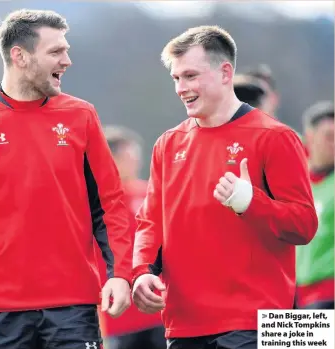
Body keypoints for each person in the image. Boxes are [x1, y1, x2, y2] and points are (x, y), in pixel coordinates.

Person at [0, 9, 133, 349]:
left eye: (66, 50)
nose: (67, 60)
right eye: (55, 52)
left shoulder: (81, 116)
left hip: (73, 309)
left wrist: (121, 273)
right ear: (19, 56)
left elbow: (110, 205)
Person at [131, 25, 318, 349]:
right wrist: (143, 271)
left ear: (225, 72)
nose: (181, 87)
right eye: (176, 78)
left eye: (190, 76)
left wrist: (251, 203)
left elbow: (304, 225)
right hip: (183, 324)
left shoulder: (275, 137)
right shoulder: (168, 143)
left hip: (258, 322)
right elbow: (150, 223)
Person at [96, 126, 165, 349]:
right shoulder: (94, 203)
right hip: (118, 318)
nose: (135, 162)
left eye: (135, 155)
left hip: (157, 312)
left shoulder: (149, 194)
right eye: (128, 156)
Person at [296, 101, 334, 310]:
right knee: (269, 339)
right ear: (309, 137)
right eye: (329, 137)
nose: (334, 144)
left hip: (327, 293)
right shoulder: (295, 181)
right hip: (295, 294)